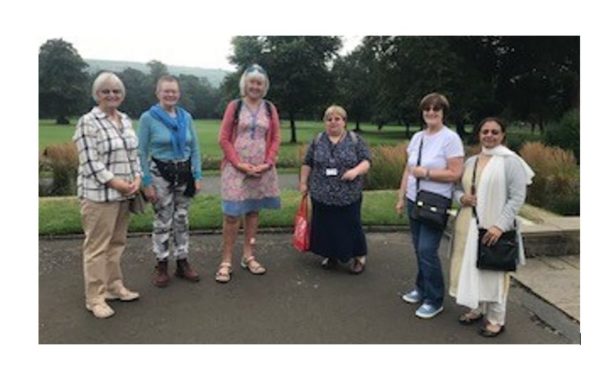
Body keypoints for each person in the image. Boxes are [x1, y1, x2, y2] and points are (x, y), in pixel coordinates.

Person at [449, 117, 534, 337]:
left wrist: (500, 226)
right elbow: (457, 189)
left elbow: (517, 198)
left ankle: (496, 319)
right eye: (485, 131)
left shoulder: (511, 161)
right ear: (479, 134)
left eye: (494, 132)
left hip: (496, 228)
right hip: (469, 225)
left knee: (495, 273)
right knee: (472, 268)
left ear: (503, 135)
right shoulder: (471, 162)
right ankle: (476, 308)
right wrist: (462, 199)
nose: (489, 135)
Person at [73, 72, 142, 319]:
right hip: (99, 196)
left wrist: (137, 178)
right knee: (97, 248)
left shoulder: (124, 120)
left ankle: (114, 287)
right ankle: (95, 297)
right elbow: (91, 162)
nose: (111, 95)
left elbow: (134, 155)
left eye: (116, 91)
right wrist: (117, 183)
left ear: (122, 95)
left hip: (124, 195)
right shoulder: (88, 122)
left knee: (117, 244)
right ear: (97, 94)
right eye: (106, 91)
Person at [395, 93, 464, 319]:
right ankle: (422, 287)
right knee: (419, 249)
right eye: (427, 109)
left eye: (436, 109)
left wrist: (427, 173)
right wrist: (401, 196)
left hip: (435, 202)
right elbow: (408, 168)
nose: (431, 113)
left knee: (427, 250)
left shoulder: (450, 139)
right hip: (415, 199)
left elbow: (455, 173)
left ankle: (434, 299)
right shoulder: (418, 138)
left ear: (443, 112)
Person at [216, 64, 281, 283]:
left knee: (253, 214)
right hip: (236, 169)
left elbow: (275, 139)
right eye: (252, 82)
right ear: (245, 83)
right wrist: (238, 163)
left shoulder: (270, 109)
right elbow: (223, 139)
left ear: (264, 86)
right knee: (232, 215)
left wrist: (268, 162)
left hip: (261, 169)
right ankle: (226, 261)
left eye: (259, 83)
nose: (255, 86)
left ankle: (248, 255)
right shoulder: (234, 106)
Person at [138, 75, 203, 287]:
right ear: (158, 93)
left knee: (182, 219)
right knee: (162, 219)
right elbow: (141, 151)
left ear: (179, 93)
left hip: (184, 172)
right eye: (166, 91)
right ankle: (162, 262)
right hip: (160, 173)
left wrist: (198, 175)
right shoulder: (148, 118)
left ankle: (182, 261)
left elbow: (194, 148)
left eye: (174, 91)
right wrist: (146, 182)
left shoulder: (186, 117)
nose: (170, 94)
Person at [299, 105, 371, 273]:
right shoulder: (318, 140)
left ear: (344, 122)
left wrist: (355, 171)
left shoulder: (355, 140)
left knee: (351, 225)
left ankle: (358, 256)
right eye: (329, 119)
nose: (333, 122)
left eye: (337, 119)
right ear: (325, 122)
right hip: (321, 194)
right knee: (326, 226)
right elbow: (307, 162)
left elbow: (367, 161)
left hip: (348, 194)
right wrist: (303, 183)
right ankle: (331, 255)